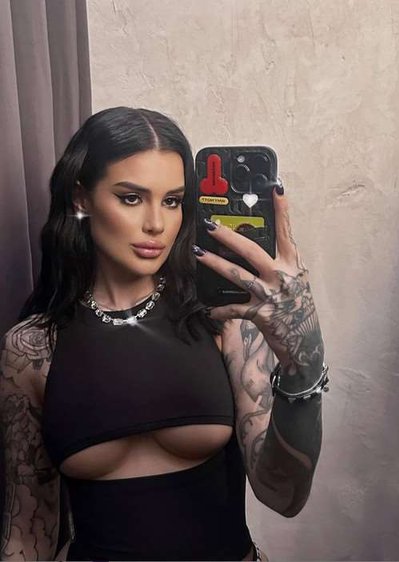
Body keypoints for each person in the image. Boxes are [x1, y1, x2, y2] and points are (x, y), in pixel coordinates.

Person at [0, 107, 327, 561]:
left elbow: (283, 495)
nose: (156, 223)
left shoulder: (223, 321)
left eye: (172, 201)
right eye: (131, 198)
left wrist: (302, 361)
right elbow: (26, 532)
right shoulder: (34, 348)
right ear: (81, 199)